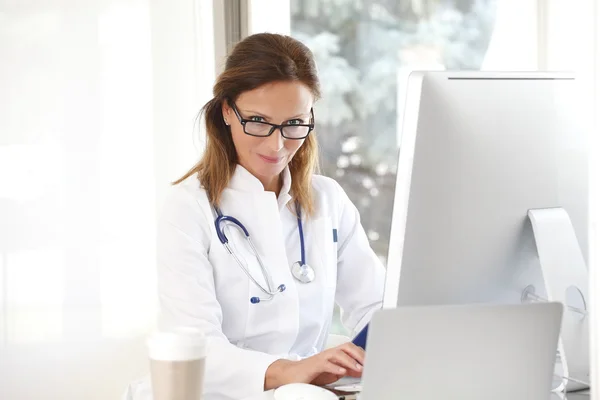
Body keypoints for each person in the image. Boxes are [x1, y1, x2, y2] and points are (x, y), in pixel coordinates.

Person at [158, 32, 385, 400]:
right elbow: (196, 347)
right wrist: (291, 371)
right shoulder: (188, 208)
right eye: (259, 121)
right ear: (227, 111)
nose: (277, 145)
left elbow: (377, 307)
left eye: (294, 123)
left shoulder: (328, 200)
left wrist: (376, 350)